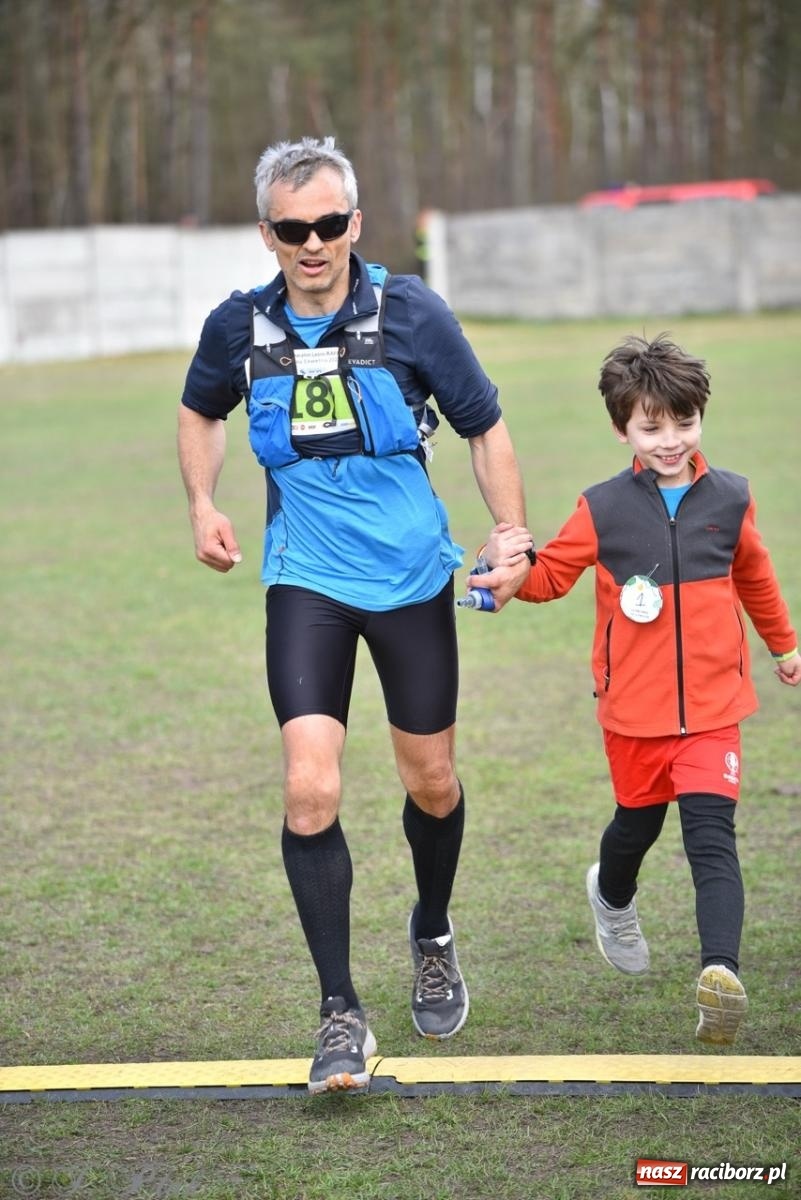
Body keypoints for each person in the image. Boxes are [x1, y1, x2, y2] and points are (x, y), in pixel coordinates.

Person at [177, 136, 529, 1094]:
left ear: (355, 225)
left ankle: (432, 929)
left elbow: (483, 424)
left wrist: (509, 531)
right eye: (293, 229)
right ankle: (340, 1013)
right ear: (268, 235)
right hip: (306, 579)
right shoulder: (237, 326)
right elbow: (200, 409)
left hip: (412, 578)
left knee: (433, 782)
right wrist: (204, 502)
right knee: (309, 789)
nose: (313, 243)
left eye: (329, 224)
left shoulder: (411, 312)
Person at [470, 333, 800, 1046]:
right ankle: (610, 895)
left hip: (714, 711)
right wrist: (506, 578)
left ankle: (720, 976)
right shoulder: (603, 508)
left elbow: (755, 577)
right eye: (652, 427)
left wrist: (782, 644)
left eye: (683, 423)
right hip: (634, 716)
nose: (671, 440)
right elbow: (552, 575)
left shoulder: (730, 498)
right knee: (636, 828)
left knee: (711, 836)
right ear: (623, 428)